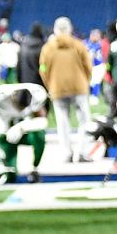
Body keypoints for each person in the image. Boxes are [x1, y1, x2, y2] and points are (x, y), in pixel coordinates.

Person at [39, 16, 92, 163]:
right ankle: (81, 152)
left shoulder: (47, 48)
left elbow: (43, 69)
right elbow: (88, 65)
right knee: (85, 121)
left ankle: (67, 153)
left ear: (55, 30)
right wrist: (84, 81)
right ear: (70, 29)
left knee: (62, 123)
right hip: (79, 87)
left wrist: (50, 84)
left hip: (57, 89)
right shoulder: (78, 45)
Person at [0, 82, 49, 183]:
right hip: (5, 136)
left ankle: (34, 169)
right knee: (10, 177)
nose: (20, 110)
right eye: (18, 105)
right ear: (12, 97)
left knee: (39, 135)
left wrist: (21, 127)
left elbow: (43, 122)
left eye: (23, 107)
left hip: (25, 134)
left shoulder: (36, 96)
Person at [17, 22, 45, 87]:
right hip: (39, 84)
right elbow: (43, 67)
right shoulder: (42, 47)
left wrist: (19, 80)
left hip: (24, 81)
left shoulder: (23, 46)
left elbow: (19, 65)